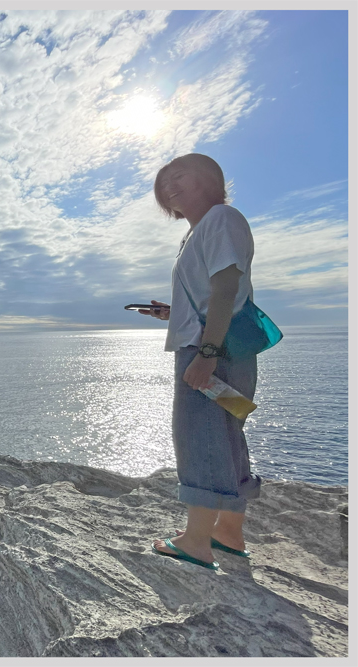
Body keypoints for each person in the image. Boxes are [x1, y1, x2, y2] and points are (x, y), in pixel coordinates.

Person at [141, 153, 261, 571]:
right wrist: (171, 314)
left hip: (212, 351)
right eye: (163, 183)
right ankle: (227, 531)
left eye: (180, 176)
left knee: (201, 435)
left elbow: (227, 288)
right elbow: (214, 295)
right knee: (227, 436)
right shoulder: (198, 233)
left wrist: (206, 356)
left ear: (211, 180)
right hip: (225, 349)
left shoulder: (221, 219)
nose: (170, 186)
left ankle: (195, 542)